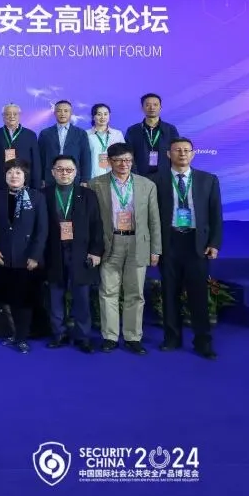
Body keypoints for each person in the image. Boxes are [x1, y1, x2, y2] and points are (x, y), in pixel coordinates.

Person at [152, 138, 222, 360]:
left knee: (198, 294)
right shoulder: (156, 180)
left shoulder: (208, 180)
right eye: (177, 150)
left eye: (186, 150)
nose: (182, 153)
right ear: (168, 154)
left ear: (192, 154)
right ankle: (172, 338)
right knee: (169, 293)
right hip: (169, 242)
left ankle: (203, 341)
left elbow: (215, 214)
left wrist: (214, 243)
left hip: (197, 244)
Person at [89, 142, 161, 355]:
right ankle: (110, 337)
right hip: (109, 243)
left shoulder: (147, 185)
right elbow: (91, 220)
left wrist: (155, 249)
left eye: (128, 160)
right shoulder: (95, 184)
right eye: (119, 160)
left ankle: (132, 337)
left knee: (135, 293)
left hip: (138, 243)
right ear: (109, 161)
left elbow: (154, 219)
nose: (124, 164)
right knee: (107, 292)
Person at [44, 156, 104, 353]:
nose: (64, 173)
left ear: (76, 172)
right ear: (52, 172)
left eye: (69, 170)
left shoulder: (88, 195)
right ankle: (58, 334)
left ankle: (83, 336)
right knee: (55, 295)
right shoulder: (44, 194)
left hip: (81, 252)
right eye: (60, 169)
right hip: (54, 251)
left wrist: (95, 251)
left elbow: (96, 225)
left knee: (82, 297)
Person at [0, 160, 48, 353]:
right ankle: (12, 334)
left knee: (25, 300)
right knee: (8, 298)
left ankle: (23, 337)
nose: (13, 176)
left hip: (27, 258)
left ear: (25, 176)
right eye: (10, 172)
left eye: (18, 172)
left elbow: (42, 229)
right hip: (4, 257)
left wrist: (35, 256)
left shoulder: (37, 197)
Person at [38, 100, 91, 188]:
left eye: (66, 111)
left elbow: (85, 157)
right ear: (54, 113)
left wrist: (85, 179)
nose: (62, 114)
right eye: (59, 111)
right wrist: (41, 178)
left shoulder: (81, 133)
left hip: (73, 177)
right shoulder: (45, 133)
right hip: (50, 177)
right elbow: (41, 158)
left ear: (71, 113)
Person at [126, 92, 179, 176]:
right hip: (140, 175)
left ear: (160, 107)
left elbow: (176, 153)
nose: (152, 108)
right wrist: (135, 174)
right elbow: (128, 154)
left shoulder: (170, 129)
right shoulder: (133, 130)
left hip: (165, 175)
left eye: (155, 105)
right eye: (148, 105)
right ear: (142, 108)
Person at [0, 103, 40, 190]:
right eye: (8, 114)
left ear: (19, 115)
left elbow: (36, 161)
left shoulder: (30, 135)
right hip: (1, 181)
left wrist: (36, 183)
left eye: (15, 114)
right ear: (3, 116)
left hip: (24, 181)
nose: (12, 116)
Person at [86, 103, 124, 179]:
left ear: (109, 116)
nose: (103, 117)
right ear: (93, 117)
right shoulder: (86, 134)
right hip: (93, 176)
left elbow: (123, 155)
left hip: (114, 175)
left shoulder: (117, 134)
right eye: (99, 114)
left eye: (105, 114)